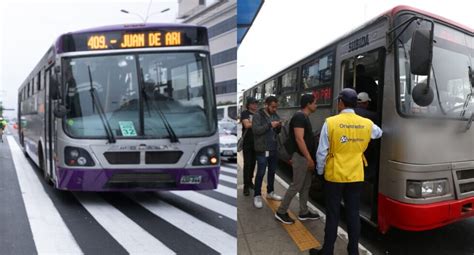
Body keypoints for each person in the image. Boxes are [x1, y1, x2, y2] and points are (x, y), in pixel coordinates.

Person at [310, 88, 382, 255]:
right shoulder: (366, 123)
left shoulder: (331, 122)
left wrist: (320, 171)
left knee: (333, 214)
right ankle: (353, 251)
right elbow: (378, 133)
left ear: (341, 102)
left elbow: (321, 152)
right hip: (356, 174)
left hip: (334, 175)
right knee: (353, 213)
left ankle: (327, 251)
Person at [275, 94, 320, 224]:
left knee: (306, 185)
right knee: (296, 185)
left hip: (304, 157)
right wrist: (309, 158)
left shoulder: (304, 116)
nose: (316, 105)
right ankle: (281, 211)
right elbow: (299, 139)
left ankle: (303, 212)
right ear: (308, 104)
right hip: (300, 157)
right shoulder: (300, 116)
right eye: (315, 103)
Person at [252, 96, 283, 208]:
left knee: (272, 172)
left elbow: (276, 131)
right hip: (262, 149)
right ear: (266, 105)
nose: (275, 109)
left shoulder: (275, 115)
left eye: (276, 107)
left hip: (273, 148)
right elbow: (256, 131)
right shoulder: (257, 115)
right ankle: (257, 195)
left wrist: (279, 126)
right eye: (273, 107)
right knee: (260, 172)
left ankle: (270, 192)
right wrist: (270, 125)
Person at [241, 97, 258, 196]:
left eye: (256, 103)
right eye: (253, 103)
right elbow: (247, 125)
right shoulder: (245, 113)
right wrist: (258, 123)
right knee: (247, 164)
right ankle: (245, 186)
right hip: (247, 143)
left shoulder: (258, 114)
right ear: (249, 104)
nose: (255, 105)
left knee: (252, 164)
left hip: (257, 143)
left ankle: (250, 182)